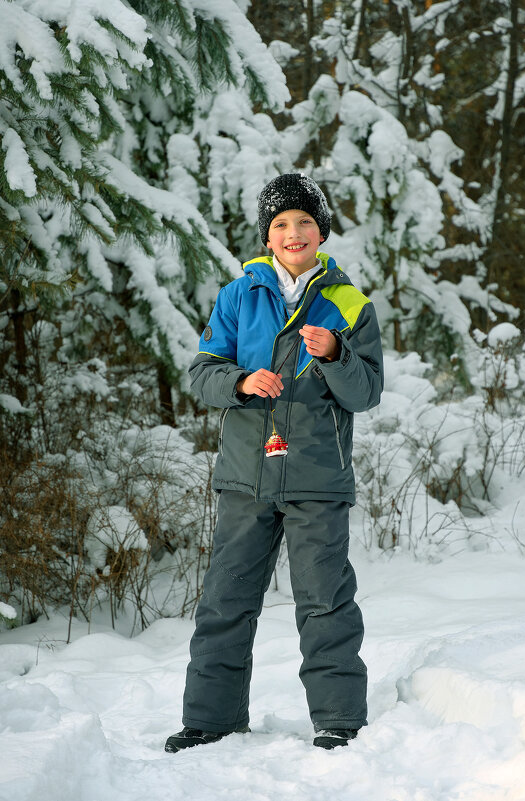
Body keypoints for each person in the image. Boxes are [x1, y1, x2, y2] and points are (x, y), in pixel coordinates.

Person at [165, 173, 383, 753]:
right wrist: (239, 380)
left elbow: (366, 392)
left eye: (305, 222)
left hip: (317, 477)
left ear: (321, 232)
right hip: (247, 475)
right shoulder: (239, 295)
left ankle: (339, 720)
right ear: (268, 237)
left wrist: (336, 353)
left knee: (324, 600)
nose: (294, 232)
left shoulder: (349, 302)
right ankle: (211, 720)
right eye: (282, 223)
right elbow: (202, 373)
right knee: (226, 599)